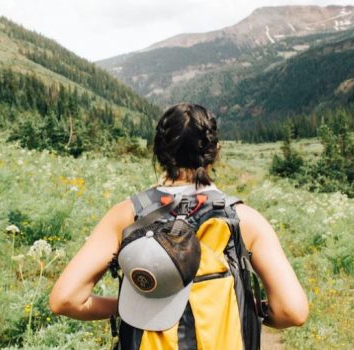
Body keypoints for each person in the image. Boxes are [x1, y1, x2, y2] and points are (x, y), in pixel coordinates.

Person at [50, 103, 308, 347]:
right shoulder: (244, 219)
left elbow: (65, 300)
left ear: (159, 152)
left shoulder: (127, 215)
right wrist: (252, 309)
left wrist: (129, 307)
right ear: (214, 152)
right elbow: (292, 311)